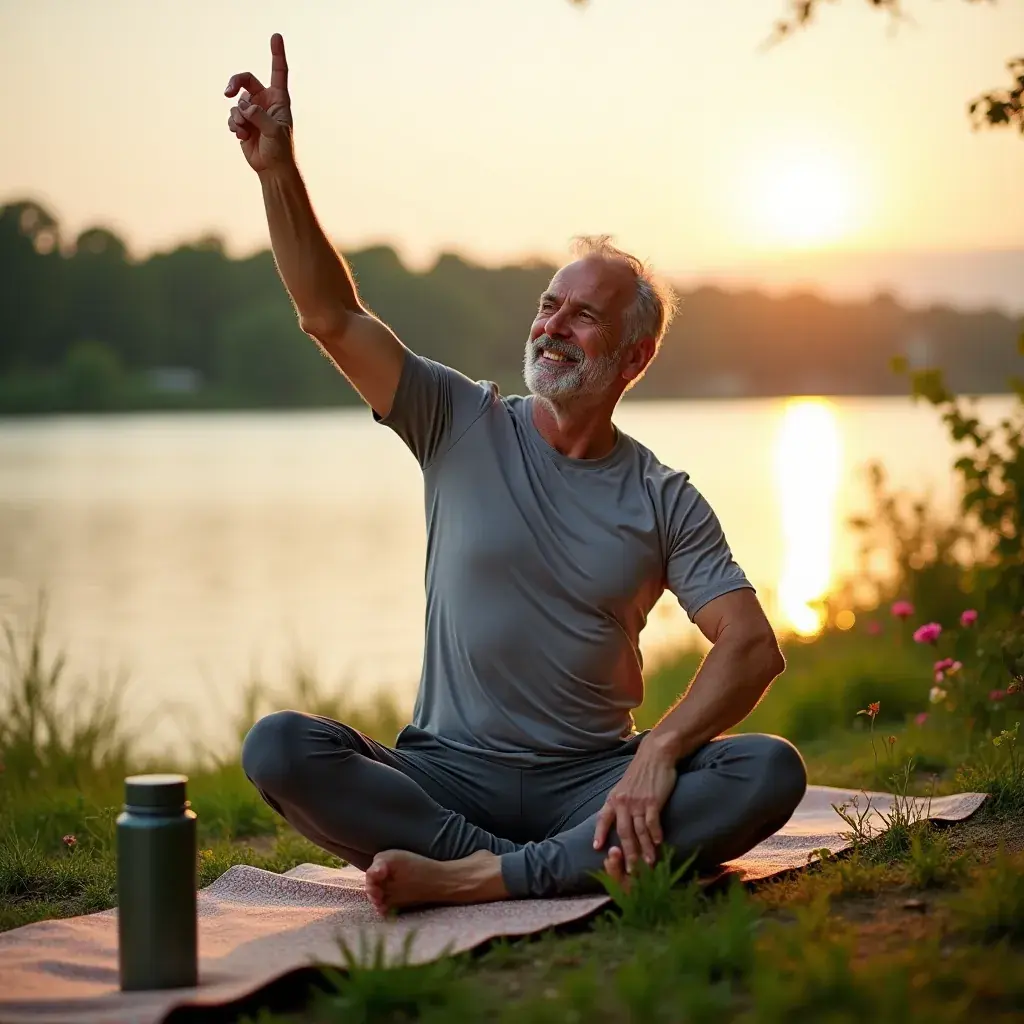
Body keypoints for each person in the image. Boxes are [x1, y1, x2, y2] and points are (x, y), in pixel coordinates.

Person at [227, 33, 807, 916]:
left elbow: (752, 646)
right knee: (279, 748)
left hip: (593, 780)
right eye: (548, 306)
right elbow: (331, 315)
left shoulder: (663, 498)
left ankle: (473, 876)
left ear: (633, 357)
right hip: (444, 775)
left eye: (583, 316)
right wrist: (278, 171)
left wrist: (658, 753)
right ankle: (542, 869)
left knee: (766, 769)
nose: (553, 327)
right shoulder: (455, 417)